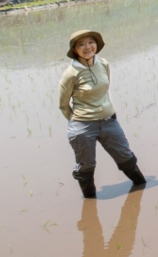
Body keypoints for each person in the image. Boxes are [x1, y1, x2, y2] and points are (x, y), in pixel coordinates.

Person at [59, 30, 146, 199]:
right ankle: (90, 200)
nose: (87, 47)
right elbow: (63, 104)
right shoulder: (71, 73)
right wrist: (78, 122)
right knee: (86, 167)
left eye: (91, 42)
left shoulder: (103, 64)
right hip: (83, 125)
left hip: (109, 121)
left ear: (96, 44)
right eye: (81, 44)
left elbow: (105, 90)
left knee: (126, 157)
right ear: (74, 49)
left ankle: (141, 188)